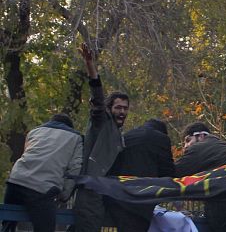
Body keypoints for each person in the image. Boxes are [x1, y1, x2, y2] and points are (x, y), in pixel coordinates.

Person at [73, 44, 128, 232]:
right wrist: (90, 66)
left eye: (125, 108)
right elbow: (97, 98)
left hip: (102, 193)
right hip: (90, 192)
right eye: (118, 107)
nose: (122, 112)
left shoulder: (119, 135)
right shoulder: (102, 122)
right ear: (109, 108)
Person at [2, 114, 82, 232]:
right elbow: (75, 169)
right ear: (70, 126)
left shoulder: (34, 132)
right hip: (41, 190)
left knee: (8, 224)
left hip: (15, 182)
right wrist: (65, 195)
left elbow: (27, 153)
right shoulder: (76, 138)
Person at [106, 119, 176, 232]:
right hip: (143, 200)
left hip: (121, 197)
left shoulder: (126, 136)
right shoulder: (162, 139)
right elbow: (167, 171)